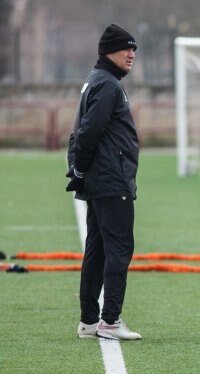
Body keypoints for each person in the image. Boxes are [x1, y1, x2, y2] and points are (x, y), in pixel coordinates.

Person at [66, 24, 142, 340]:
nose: (132, 54)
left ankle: (88, 321)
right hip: (111, 180)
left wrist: (80, 172)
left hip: (101, 179)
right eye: (127, 48)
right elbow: (88, 131)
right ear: (108, 50)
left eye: (134, 49)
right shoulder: (107, 84)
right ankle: (109, 321)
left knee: (96, 250)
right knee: (119, 249)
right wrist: (79, 170)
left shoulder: (96, 80)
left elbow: (82, 132)